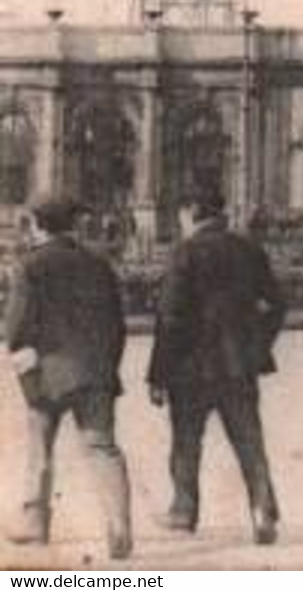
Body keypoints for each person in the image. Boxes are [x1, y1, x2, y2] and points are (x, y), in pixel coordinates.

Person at [146, 188, 285, 544]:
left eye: (181, 214)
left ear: (191, 211)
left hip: (191, 369)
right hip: (239, 365)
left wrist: (158, 374)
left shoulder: (186, 252)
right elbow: (277, 304)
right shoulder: (248, 249)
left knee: (187, 441)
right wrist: (258, 344)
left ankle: (183, 511)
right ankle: (262, 508)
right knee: (249, 440)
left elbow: (170, 317)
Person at [4, 199, 133, 560]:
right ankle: (119, 525)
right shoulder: (98, 263)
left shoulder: (29, 266)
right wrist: (107, 365)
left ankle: (36, 521)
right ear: (71, 226)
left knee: (40, 446)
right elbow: (117, 324)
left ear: (39, 226)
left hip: (48, 373)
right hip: (95, 372)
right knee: (103, 448)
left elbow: (15, 329)